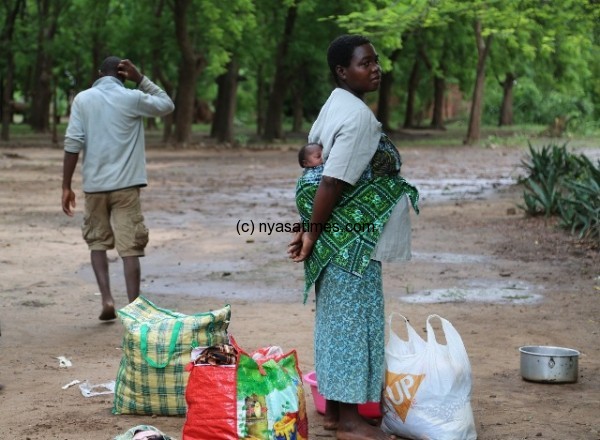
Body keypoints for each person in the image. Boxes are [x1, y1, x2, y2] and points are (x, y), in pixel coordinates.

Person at [288, 35, 419, 440]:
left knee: (335, 326)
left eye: (376, 61)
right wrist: (311, 233)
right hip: (350, 243)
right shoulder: (357, 117)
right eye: (365, 63)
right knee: (353, 326)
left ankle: (336, 413)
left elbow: (318, 173)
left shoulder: (334, 106)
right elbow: (330, 179)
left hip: (335, 238)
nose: (375, 68)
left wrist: (310, 228)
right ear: (343, 71)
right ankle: (348, 422)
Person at [62, 56, 175, 321]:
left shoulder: (82, 99)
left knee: (97, 242)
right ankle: (134, 308)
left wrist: (66, 186)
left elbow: (72, 143)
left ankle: (107, 299)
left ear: (99, 73)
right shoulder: (133, 97)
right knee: (130, 247)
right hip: (127, 187)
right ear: (124, 75)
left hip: (95, 187)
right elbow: (167, 104)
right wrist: (141, 79)